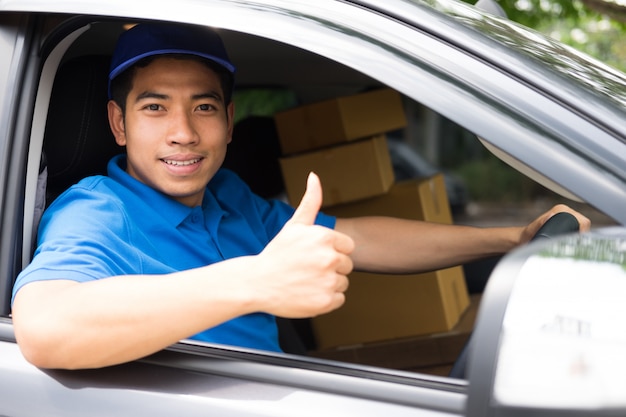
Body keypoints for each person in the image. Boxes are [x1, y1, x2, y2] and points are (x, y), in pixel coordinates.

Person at [11, 22, 590, 370]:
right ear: (118, 124)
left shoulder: (230, 197)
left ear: (230, 121)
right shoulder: (96, 209)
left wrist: (511, 238)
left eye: (204, 107)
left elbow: (357, 238)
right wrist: (257, 282)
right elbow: (45, 327)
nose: (183, 132)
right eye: (154, 107)